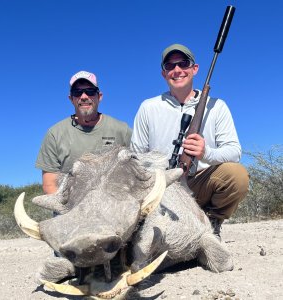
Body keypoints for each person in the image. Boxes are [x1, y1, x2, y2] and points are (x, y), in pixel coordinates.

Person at [130, 44, 249, 239]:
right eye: (170, 66)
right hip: (161, 187)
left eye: (183, 64)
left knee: (237, 175)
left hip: (199, 184)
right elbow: (136, 155)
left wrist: (206, 153)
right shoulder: (148, 107)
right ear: (163, 74)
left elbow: (234, 151)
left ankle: (211, 223)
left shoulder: (216, 106)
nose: (177, 70)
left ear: (195, 69)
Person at [36, 70, 132, 194]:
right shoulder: (54, 134)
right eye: (77, 93)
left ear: (99, 96)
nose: (84, 97)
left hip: (114, 207)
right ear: (71, 99)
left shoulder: (122, 130)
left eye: (90, 91)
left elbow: (138, 169)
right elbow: (50, 184)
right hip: (71, 209)